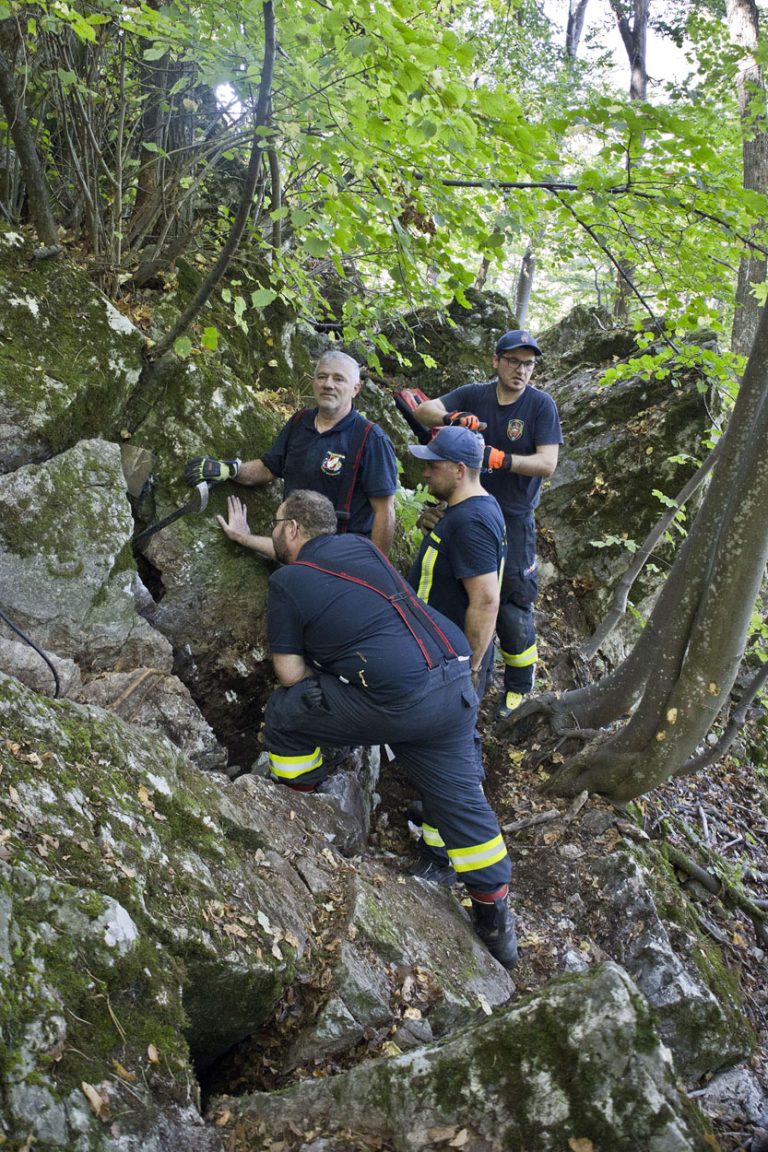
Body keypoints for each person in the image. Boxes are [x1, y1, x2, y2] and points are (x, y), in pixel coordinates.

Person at [221, 487, 517, 969]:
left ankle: (301, 797)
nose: (274, 531)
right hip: (454, 675)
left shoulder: (287, 585)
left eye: (275, 524)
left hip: (397, 697)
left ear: (292, 529)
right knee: (463, 800)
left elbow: (290, 675)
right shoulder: (361, 547)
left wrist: (332, 676)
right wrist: (245, 537)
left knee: (287, 711)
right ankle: (496, 923)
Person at [413, 329, 562, 720]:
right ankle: (461, 670)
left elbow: (548, 463)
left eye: (529, 363)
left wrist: (501, 459)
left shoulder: (540, 406)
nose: (521, 370)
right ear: (496, 360)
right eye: (514, 361)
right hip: (464, 508)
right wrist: (451, 418)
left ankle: (519, 684)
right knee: (457, 590)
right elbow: (422, 409)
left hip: (512, 517)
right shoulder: (475, 394)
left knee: (511, 604)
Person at [186, 350, 398, 557]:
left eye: (339, 379)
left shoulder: (370, 439)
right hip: (295, 554)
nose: (328, 385)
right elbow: (268, 468)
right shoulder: (300, 422)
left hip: (341, 562)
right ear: (313, 381)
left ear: (355, 388)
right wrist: (230, 469)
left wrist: (375, 569)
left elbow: (385, 512)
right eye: (322, 377)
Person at [407, 426, 506, 697]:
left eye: (433, 466)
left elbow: (486, 601)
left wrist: (468, 670)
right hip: (436, 654)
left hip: (447, 663)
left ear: (460, 471)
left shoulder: (471, 523)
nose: (425, 473)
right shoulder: (468, 510)